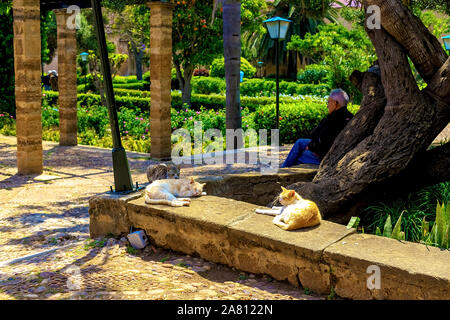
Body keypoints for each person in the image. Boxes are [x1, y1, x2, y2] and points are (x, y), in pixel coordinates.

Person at [281, 89, 353, 168]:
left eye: (328, 102)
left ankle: (282, 171)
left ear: (335, 103)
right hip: (322, 148)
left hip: (324, 156)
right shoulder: (350, 116)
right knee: (300, 142)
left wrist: (311, 147)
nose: (327, 105)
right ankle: (284, 167)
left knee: (299, 155)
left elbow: (325, 141)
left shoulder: (334, 119)